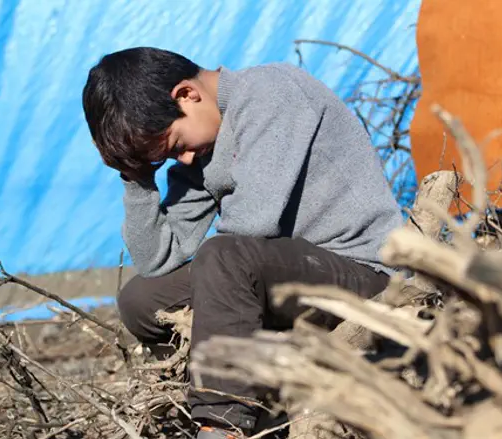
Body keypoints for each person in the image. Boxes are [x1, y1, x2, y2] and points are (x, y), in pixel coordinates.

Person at [81, 47, 403, 438]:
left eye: (176, 146)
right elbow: (155, 259)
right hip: (286, 276)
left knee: (223, 256)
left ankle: (222, 423)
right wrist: (136, 177)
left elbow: (252, 224)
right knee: (141, 299)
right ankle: (218, 399)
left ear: (187, 95)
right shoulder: (204, 144)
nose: (182, 160)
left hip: (363, 272)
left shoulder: (271, 91)